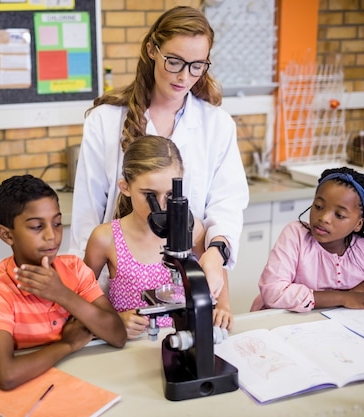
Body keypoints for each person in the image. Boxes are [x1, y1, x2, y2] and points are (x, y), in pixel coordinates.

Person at [69, 6, 249, 322]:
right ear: (152, 50)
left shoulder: (217, 124)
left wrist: (215, 255)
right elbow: (87, 217)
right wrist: (92, 314)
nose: (184, 76)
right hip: (120, 299)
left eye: (197, 66)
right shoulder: (105, 122)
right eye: (175, 61)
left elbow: (227, 205)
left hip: (186, 283)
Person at [0, 175, 126, 391]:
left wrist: (63, 294)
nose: (52, 236)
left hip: (81, 380)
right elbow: (6, 376)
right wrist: (67, 344)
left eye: (57, 223)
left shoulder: (75, 269)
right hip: (29, 387)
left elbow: (118, 335)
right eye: (37, 227)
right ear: (7, 235)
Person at [84, 135, 233, 338]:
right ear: (125, 187)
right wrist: (115, 319)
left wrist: (223, 306)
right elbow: (83, 295)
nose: (162, 206)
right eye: (149, 195)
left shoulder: (193, 229)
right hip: (133, 343)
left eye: (171, 195)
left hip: (185, 336)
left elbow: (215, 268)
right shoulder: (105, 238)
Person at [251, 167, 364, 312]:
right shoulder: (296, 234)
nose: (324, 218)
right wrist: (343, 297)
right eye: (318, 206)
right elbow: (273, 292)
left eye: (339, 215)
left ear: (358, 224)